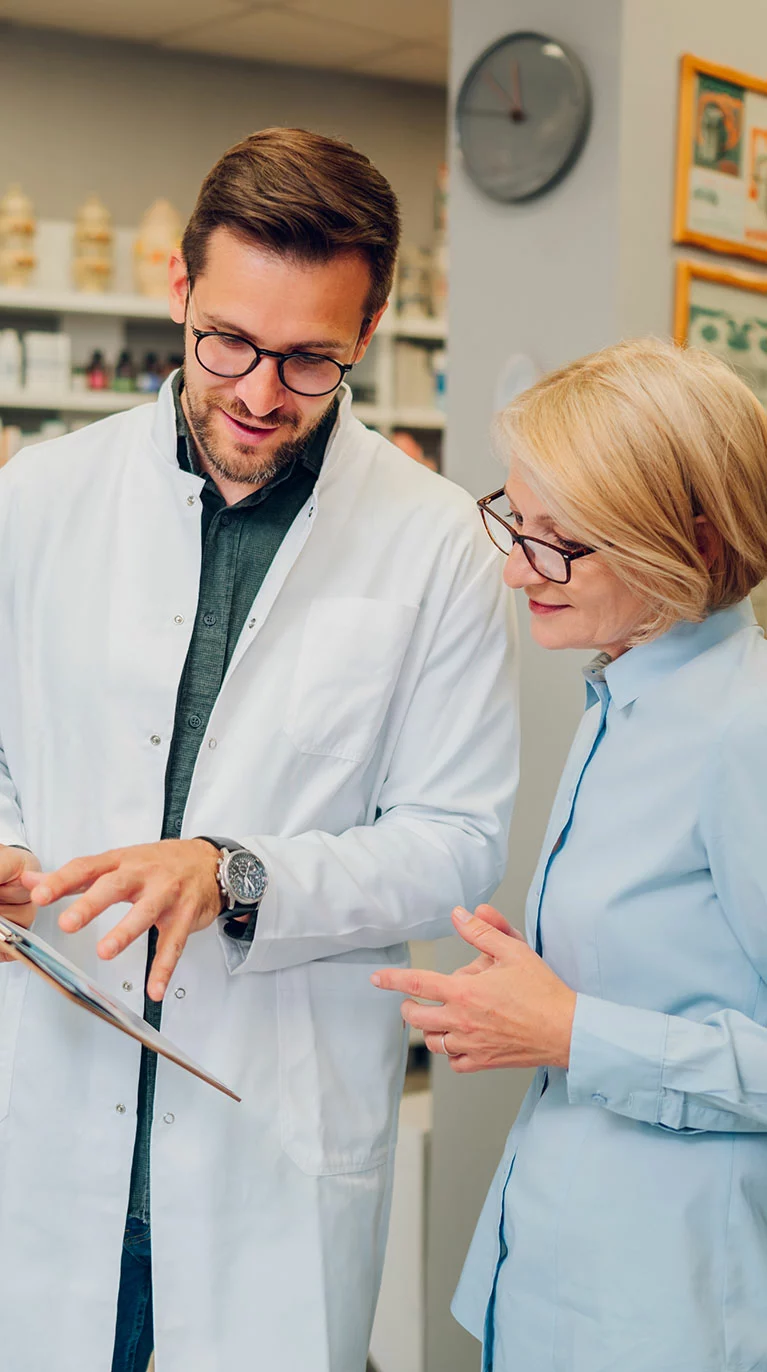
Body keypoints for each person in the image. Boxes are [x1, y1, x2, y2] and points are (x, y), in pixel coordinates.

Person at [0, 128, 518, 1372]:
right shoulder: (40, 497)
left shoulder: (433, 540)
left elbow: (457, 840)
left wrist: (234, 872)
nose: (257, 392)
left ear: (372, 325)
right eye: (226, 341)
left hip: (266, 1135)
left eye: (308, 359)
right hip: (53, 1110)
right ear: (177, 293)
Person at [373, 337, 767, 1372]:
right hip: (558, 1282)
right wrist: (530, 996)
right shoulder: (618, 701)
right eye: (513, 520)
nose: (515, 568)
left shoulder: (742, 730)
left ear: (678, 538)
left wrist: (569, 1029)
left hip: (674, 1313)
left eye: (557, 543)